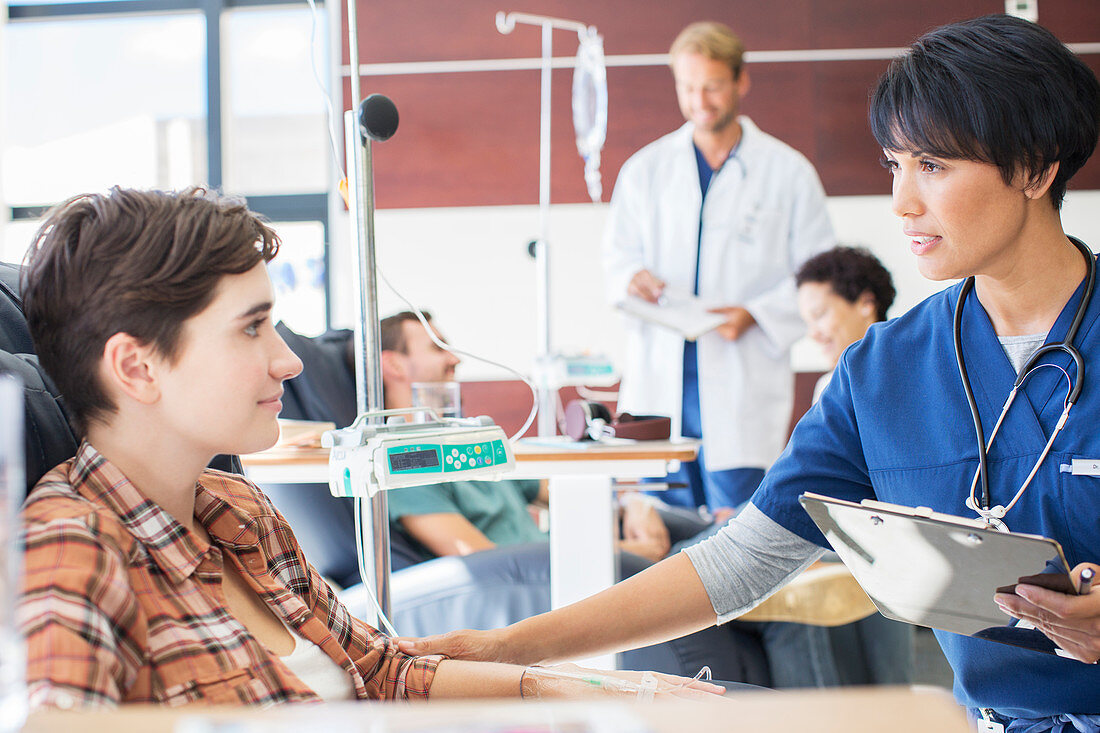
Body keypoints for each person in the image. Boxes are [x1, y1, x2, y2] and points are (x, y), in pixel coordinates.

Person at [399, 14, 1100, 727]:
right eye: (896, 163)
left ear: (1037, 168)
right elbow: (740, 560)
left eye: (935, 165)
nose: (902, 201)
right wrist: (511, 645)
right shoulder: (884, 371)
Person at [15, 187, 720, 708]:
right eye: (252, 328)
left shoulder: (238, 512)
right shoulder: (73, 554)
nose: (289, 361)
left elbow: (385, 673)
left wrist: (611, 692)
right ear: (137, 367)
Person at [604, 21, 835, 519]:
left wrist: (754, 313)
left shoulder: (788, 172)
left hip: (740, 376)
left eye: (710, 86)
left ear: (739, 82)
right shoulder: (645, 170)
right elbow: (616, 258)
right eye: (687, 87)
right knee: (658, 532)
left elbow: (818, 276)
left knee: (739, 536)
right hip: (662, 378)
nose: (699, 101)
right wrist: (631, 277)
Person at [377, 311, 672, 564]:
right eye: (437, 348)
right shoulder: (404, 462)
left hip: (564, 557)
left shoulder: (469, 441)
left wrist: (634, 504)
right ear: (394, 365)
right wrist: (625, 551)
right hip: (543, 581)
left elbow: (563, 492)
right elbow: (490, 564)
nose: (454, 358)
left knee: (702, 535)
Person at [795, 246, 896, 401]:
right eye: (808, 322)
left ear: (866, 303)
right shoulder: (828, 388)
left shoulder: (909, 370)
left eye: (819, 315)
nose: (813, 334)